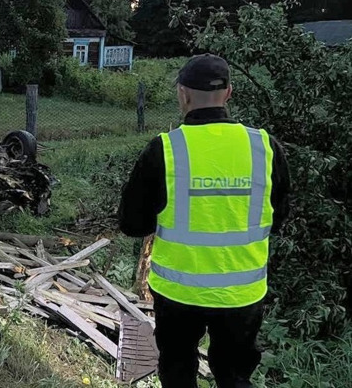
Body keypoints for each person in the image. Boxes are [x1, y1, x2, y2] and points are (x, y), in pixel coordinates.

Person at [117, 54, 290, 388]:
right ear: (229, 93)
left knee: (178, 372)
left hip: (179, 294)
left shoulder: (164, 150)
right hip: (242, 295)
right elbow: (278, 218)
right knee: (235, 376)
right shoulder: (264, 147)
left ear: (183, 94)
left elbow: (132, 223)